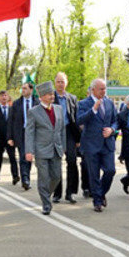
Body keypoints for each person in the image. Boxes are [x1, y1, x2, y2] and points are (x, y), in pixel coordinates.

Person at [76, 78, 118, 212]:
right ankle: (97, 201)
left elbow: (116, 121)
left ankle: (100, 193)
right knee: (93, 175)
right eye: (101, 89)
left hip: (107, 144)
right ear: (93, 89)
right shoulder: (83, 103)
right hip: (91, 144)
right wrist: (93, 110)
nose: (104, 91)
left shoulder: (110, 103)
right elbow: (79, 120)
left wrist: (111, 129)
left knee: (110, 171)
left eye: (105, 89)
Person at [25, 81, 66, 215]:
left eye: (52, 94)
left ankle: (45, 194)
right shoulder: (33, 112)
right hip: (41, 150)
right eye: (49, 94)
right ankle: (46, 204)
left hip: (56, 149)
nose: (52, 96)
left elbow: (62, 130)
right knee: (43, 177)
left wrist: (63, 146)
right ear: (41, 96)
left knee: (56, 176)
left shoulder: (58, 109)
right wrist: (29, 151)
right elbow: (29, 132)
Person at [51, 72, 82, 204]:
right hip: (55, 132)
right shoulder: (50, 97)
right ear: (55, 83)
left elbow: (76, 118)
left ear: (66, 83)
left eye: (62, 81)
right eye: (58, 81)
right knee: (56, 163)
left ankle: (70, 193)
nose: (60, 84)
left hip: (69, 131)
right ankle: (57, 193)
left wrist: (78, 139)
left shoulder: (72, 98)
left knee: (72, 161)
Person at [7, 82, 39, 190]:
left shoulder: (37, 102)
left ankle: (27, 176)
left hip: (34, 133)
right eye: (22, 89)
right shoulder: (16, 104)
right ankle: (25, 179)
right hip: (20, 133)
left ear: (31, 90)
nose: (23, 90)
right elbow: (10, 120)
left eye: (25, 88)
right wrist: (10, 137)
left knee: (28, 156)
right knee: (22, 156)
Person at [0, 90, 19, 184]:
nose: (4, 97)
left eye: (6, 95)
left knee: (12, 158)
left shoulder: (12, 110)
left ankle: (15, 176)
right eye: (2, 96)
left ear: (8, 97)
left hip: (9, 138)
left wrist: (14, 137)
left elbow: (15, 125)